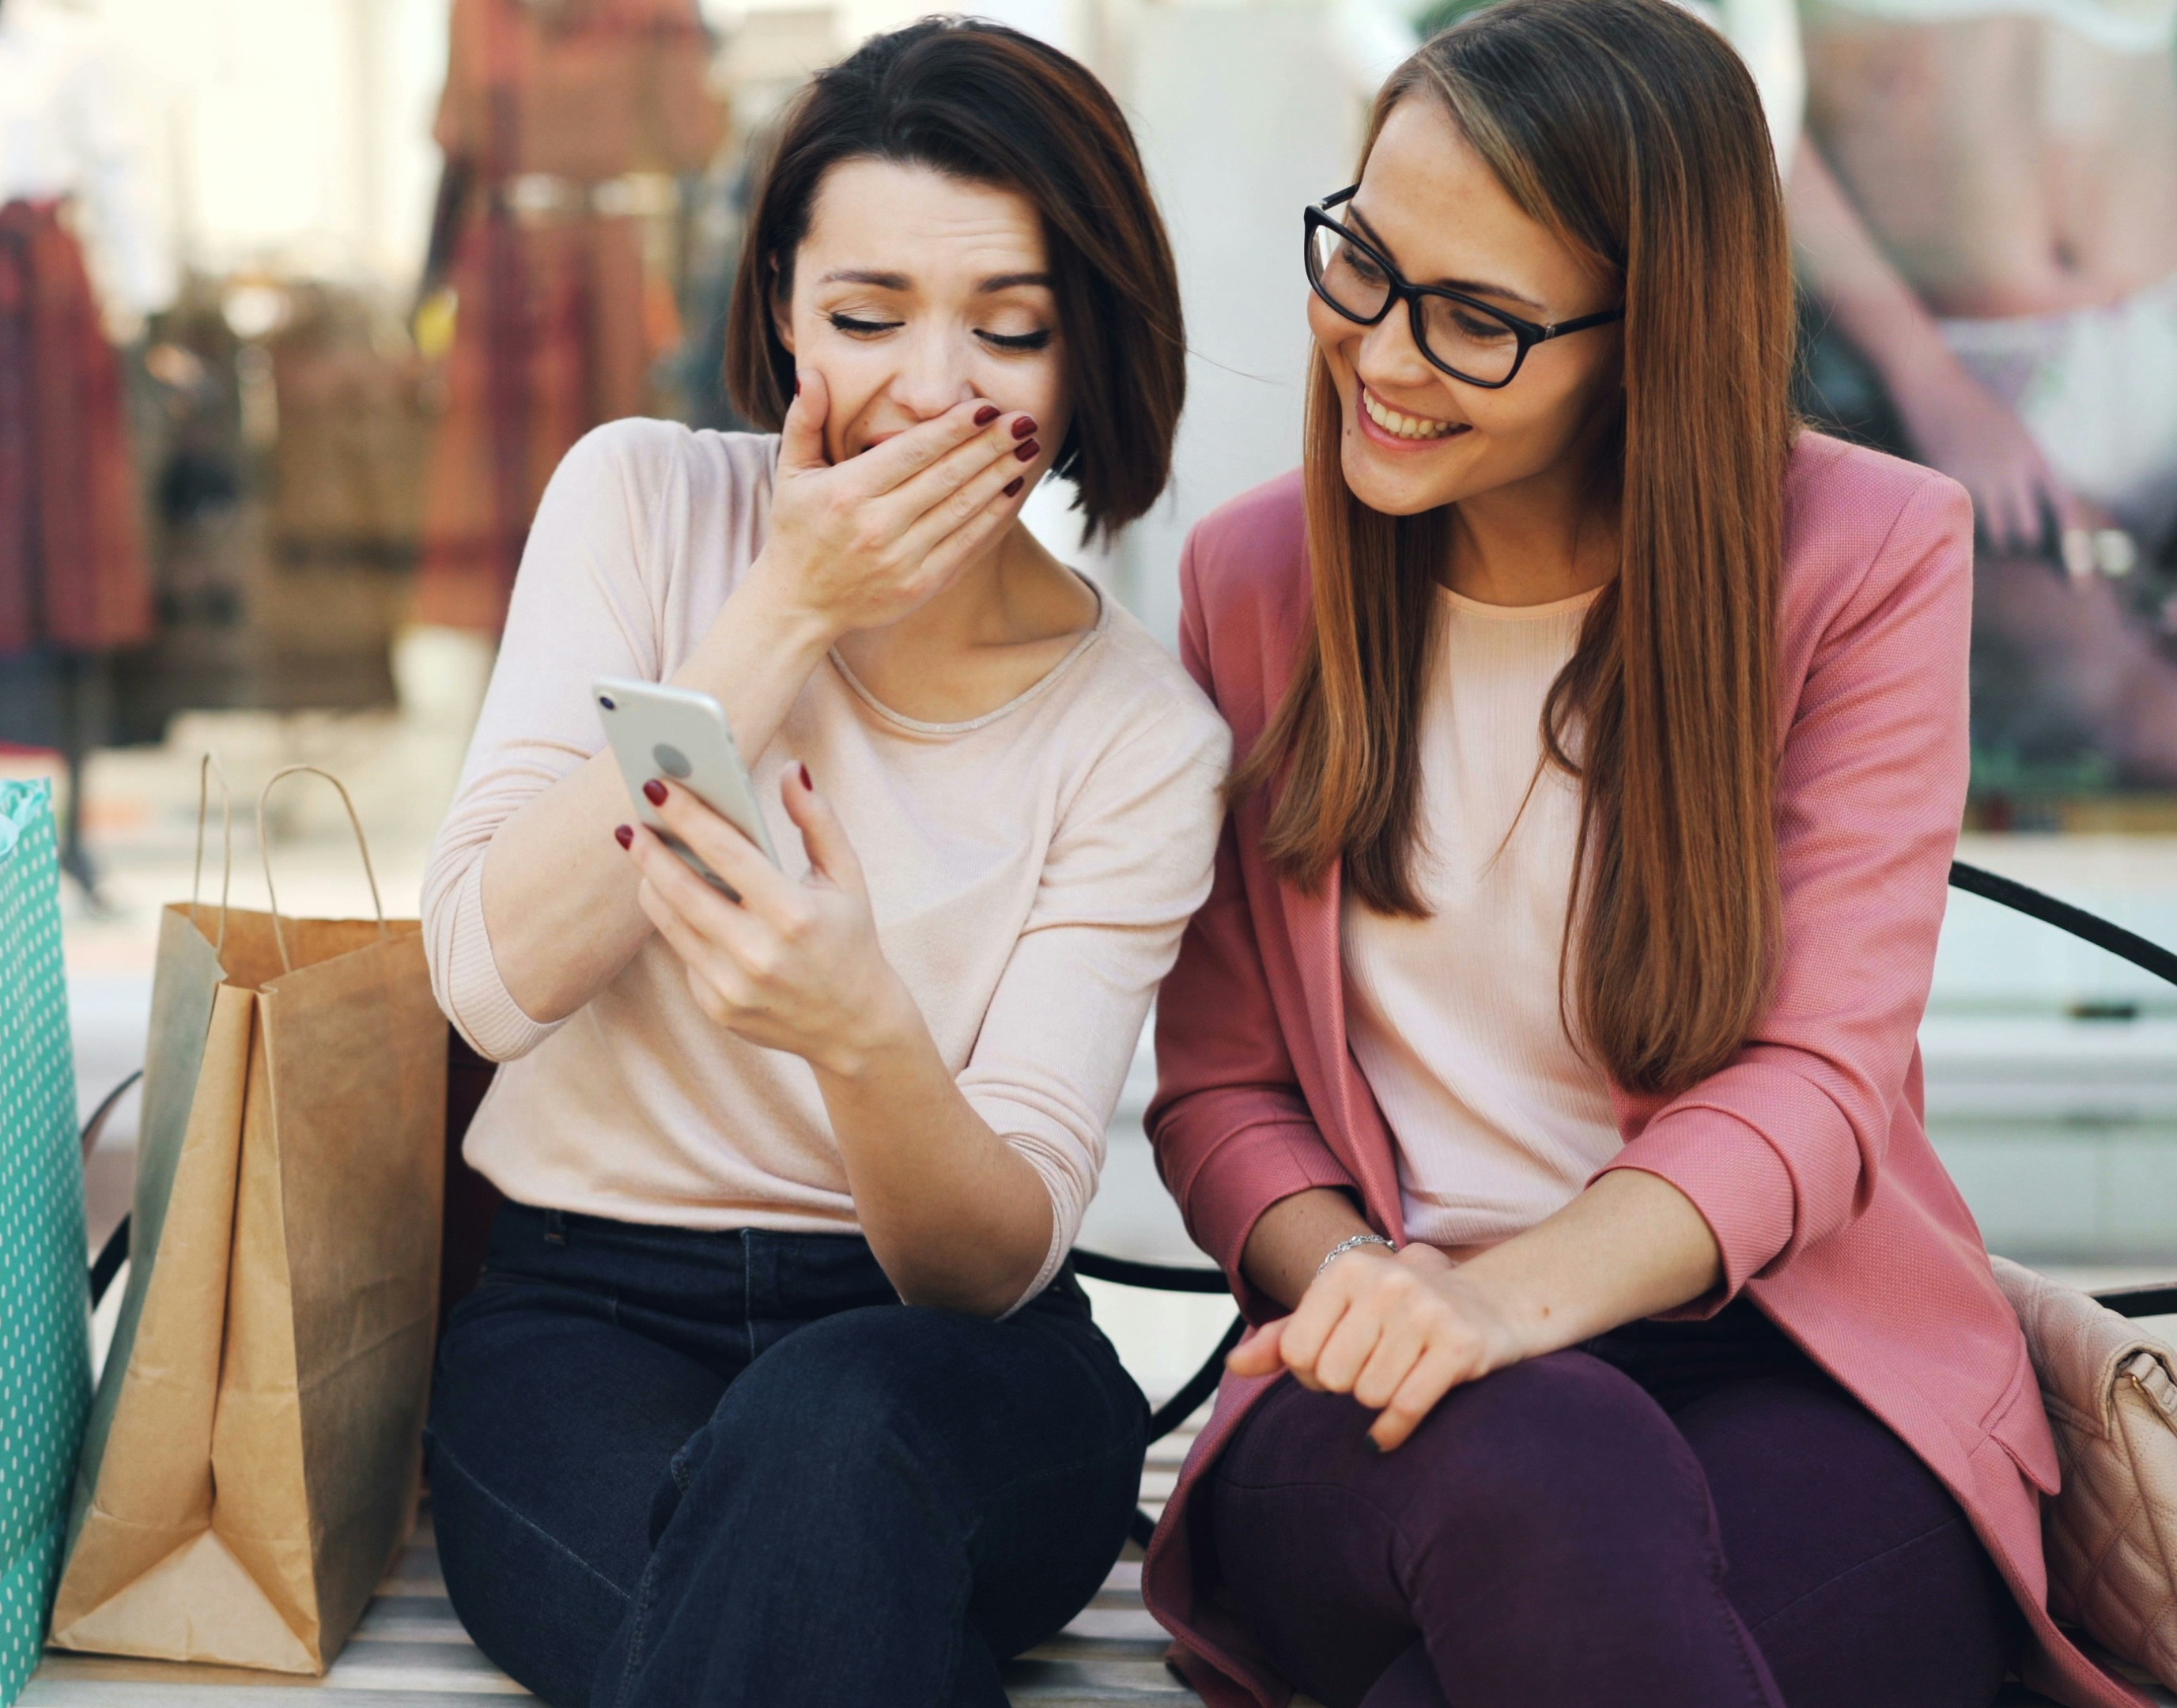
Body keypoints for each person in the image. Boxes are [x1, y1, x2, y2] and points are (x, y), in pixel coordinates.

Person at [1136, 2, 2143, 1705]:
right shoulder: (1257, 588)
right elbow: (1222, 1093)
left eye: (1474, 320)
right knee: (1545, 1465)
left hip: (1793, 1367)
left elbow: (1816, 1085)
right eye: (1364, 264)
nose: (1381, 354)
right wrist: (1388, 1293)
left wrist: (1516, 1301)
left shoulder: (1868, 558)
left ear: (1651, 336)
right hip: (1378, 1389)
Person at [415, 20, 1229, 1706]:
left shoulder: (1143, 734)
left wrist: (861, 1031)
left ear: (1090, 351)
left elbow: (987, 1262)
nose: (934, 390)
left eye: (1009, 328)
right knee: (798, 1611)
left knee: (829, 1437)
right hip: (584, 1320)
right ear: (781, 305)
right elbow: (487, 982)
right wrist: (787, 611)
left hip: (957, 1367)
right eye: (866, 319)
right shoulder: (639, 507)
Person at [1790, 0, 2177, 784]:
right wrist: (1925, 376)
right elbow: (1729, 97)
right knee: (2148, 723)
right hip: (1958, 378)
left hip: (2158, 317)